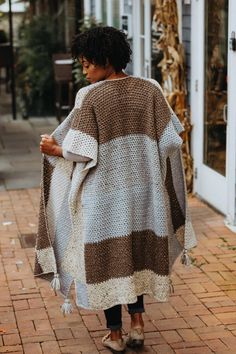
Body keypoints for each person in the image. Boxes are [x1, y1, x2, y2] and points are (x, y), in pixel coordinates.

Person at [35, 26, 196, 353]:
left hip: (104, 198)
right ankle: (138, 326)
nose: (84, 71)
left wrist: (56, 151)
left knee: (109, 260)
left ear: (105, 59)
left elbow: (81, 152)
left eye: (87, 63)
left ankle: (116, 334)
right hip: (145, 197)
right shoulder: (150, 89)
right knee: (135, 257)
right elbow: (170, 142)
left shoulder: (89, 97)